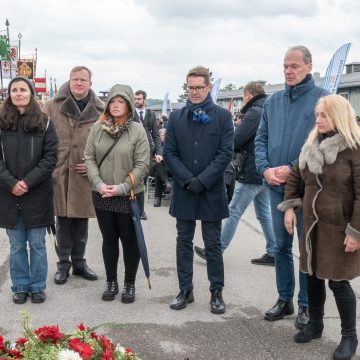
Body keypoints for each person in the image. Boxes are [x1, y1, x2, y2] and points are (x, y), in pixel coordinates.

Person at [279, 95, 360, 360]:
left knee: (338, 283)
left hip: (340, 229)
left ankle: (349, 336)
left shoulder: (353, 148)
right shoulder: (311, 145)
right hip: (311, 228)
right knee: (312, 277)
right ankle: (315, 324)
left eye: (323, 115)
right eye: (317, 114)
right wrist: (290, 207)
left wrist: (355, 232)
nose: (318, 119)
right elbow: (294, 176)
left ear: (338, 115)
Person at [255, 45, 329, 329]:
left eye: (294, 66)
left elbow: (321, 144)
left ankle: (307, 305)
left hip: (307, 190)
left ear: (309, 67)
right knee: (281, 247)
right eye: (285, 66)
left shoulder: (322, 101)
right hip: (275, 187)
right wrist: (265, 168)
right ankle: (284, 299)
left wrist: (290, 167)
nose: (288, 71)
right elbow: (260, 139)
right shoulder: (272, 103)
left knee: (306, 249)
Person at [163, 66, 234, 314]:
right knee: (183, 241)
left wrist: (202, 180)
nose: (194, 92)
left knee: (212, 244)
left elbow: (225, 153)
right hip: (185, 190)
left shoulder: (223, 118)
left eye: (199, 87)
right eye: (190, 87)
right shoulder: (176, 117)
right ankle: (185, 290)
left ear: (208, 87)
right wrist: (185, 179)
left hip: (210, 190)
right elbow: (169, 153)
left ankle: (216, 292)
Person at [194, 81, 276, 266]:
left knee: (233, 211)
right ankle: (274, 252)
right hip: (265, 168)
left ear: (249, 95)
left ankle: (214, 251)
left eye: (244, 96)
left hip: (253, 169)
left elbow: (237, 139)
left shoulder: (255, 112)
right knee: (264, 213)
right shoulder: (268, 109)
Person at [85, 84, 149, 302]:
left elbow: (142, 164)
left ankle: (129, 283)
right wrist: (98, 183)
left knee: (130, 240)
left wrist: (123, 187)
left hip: (128, 195)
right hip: (102, 193)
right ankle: (111, 281)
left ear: (129, 104)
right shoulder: (98, 127)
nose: (115, 105)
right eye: (112, 101)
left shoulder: (137, 130)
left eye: (120, 102)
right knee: (109, 239)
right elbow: (89, 157)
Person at [0, 76, 58, 304]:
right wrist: (11, 183)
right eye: (14, 90)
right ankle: (20, 285)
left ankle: (37, 286)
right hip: (8, 193)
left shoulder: (44, 122)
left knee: (36, 243)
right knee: (16, 246)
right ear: (9, 94)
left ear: (31, 93)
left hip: (37, 194)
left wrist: (27, 182)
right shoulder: (2, 122)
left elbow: (51, 157)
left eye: (23, 89)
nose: (18, 93)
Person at [44, 66, 104, 285]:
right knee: (62, 219)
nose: (79, 83)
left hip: (84, 174)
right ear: (69, 81)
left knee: (81, 220)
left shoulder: (101, 110)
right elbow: (40, 138)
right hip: (59, 171)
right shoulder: (52, 106)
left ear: (90, 83)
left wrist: (94, 166)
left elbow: (108, 146)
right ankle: (63, 265)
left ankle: (79, 263)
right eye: (75, 79)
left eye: (83, 80)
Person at [134, 90, 162, 220]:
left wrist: (159, 152)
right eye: (135, 99)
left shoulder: (151, 115)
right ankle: (132, 209)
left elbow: (156, 135)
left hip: (147, 150)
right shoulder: (130, 113)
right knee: (133, 178)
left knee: (143, 179)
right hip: (132, 149)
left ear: (144, 100)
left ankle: (141, 210)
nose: (137, 101)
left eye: (139, 99)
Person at [149, 128, 172, 207]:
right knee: (158, 166)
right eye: (162, 135)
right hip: (157, 167)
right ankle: (166, 183)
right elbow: (150, 157)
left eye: (164, 135)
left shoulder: (170, 144)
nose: (164, 137)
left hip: (169, 169)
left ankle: (157, 198)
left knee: (158, 173)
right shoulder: (156, 145)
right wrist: (156, 158)